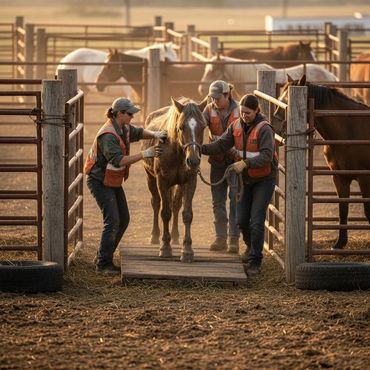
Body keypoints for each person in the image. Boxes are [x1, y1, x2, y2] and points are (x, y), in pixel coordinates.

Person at [84, 97, 167, 275]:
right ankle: (103, 264)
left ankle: (103, 255)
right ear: (119, 113)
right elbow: (119, 160)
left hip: (110, 179)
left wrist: (154, 134)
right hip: (99, 181)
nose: (132, 117)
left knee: (124, 218)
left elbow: (137, 132)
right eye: (129, 114)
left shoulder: (122, 127)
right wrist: (146, 154)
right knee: (113, 220)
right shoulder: (108, 135)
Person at [201, 94, 278, 276]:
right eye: (242, 112)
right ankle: (251, 248)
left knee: (257, 221)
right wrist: (199, 148)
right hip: (246, 180)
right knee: (242, 220)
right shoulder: (235, 126)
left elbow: (267, 156)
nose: (244, 116)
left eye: (248, 113)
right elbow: (220, 145)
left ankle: (255, 261)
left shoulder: (264, 129)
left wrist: (244, 163)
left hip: (263, 180)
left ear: (257, 110)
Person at [203, 80, 240, 253]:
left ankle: (233, 239)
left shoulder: (240, 110)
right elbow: (198, 124)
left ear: (227, 95)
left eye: (218, 98)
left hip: (234, 163)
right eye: (213, 98)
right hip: (217, 161)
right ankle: (220, 238)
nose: (215, 101)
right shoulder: (209, 110)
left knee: (235, 200)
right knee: (218, 201)